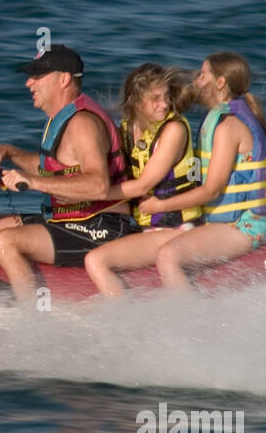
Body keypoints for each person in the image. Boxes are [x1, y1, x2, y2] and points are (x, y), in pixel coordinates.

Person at [0, 45, 133, 303]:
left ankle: (31, 323)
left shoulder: (83, 123)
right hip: (71, 219)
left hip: (100, 224)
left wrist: (34, 183)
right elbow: (57, 172)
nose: (28, 83)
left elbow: (98, 185)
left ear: (64, 79)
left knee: (8, 241)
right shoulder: (60, 118)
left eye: (37, 76)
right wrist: (9, 153)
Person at [137, 52, 266, 290]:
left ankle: (186, 319)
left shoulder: (229, 126)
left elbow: (212, 190)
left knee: (168, 256)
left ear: (220, 82)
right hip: (218, 223)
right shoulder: (216, 118)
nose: (197, 81)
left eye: (203, 75)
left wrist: (159, 206)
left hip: (242, 227)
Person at [83, 63, 202, 297]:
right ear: (136, 102)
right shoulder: (127, 128)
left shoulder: (173, 130)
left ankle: (122, 323)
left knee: (97, 260)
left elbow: (144, 185)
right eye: (155, 98)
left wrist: (90, 193)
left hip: (177, 229)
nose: (165, 104)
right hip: (142, 225)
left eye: (166, 97)